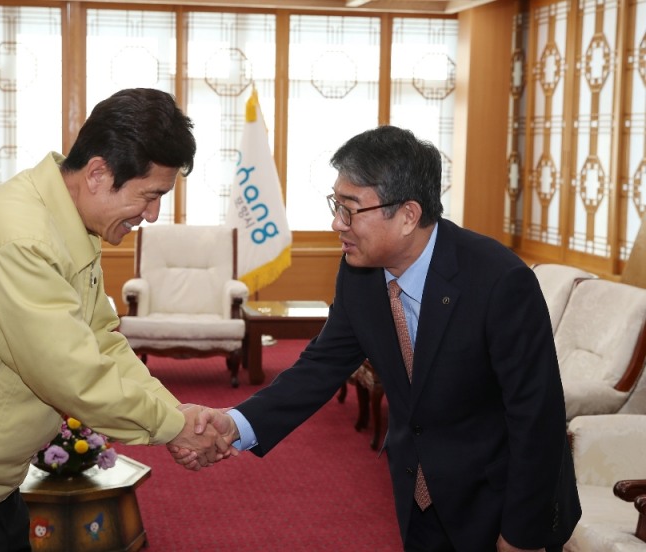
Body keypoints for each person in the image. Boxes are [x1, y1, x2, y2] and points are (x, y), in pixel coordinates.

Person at [0, 88, 234, 551]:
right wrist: (175, 429)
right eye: (150, 196)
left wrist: (172, 411)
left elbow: (101, 341)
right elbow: (74, 376)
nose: (152, 215)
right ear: (98, 173)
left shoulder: (69, 222)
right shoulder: (21, 239)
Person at [174, 126, 581, 551]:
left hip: (500, 499)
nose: (336, 223)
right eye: (336, 205)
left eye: (350, 209)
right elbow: (321, 365)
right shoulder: (359, 273)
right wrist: (236, 423)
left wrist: (521, 536)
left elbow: (537, 416)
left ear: (407, 215)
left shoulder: (499, 282)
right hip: (418, 493)